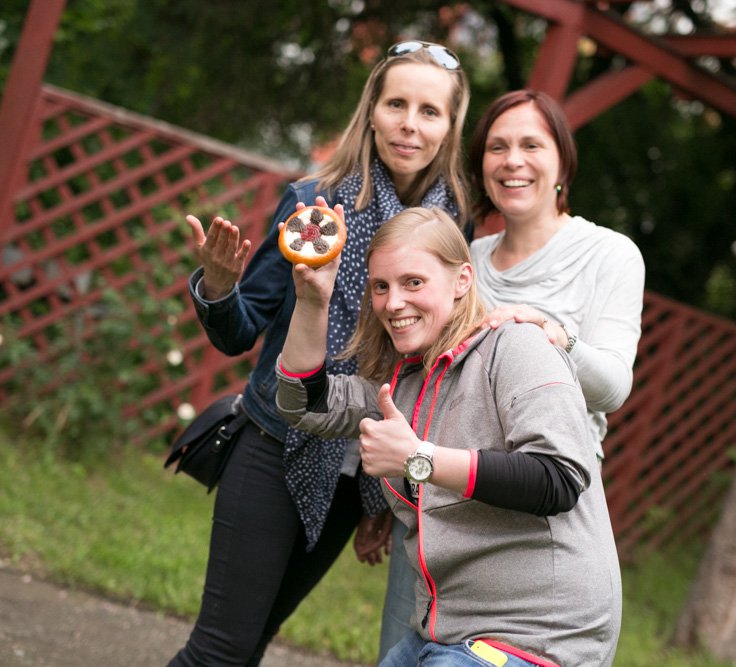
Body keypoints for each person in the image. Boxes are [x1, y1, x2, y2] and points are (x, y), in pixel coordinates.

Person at [170, 40, 470, 666]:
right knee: (219, 651)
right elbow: (239, 332)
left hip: (356, 473)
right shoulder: (316, 202)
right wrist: (219, 287)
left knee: (250, 645)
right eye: (396, 104)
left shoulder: (454, 229)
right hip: (275, 444)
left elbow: (430, 361)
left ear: (449, 127)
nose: (409, 125)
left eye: (429, 111)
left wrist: (388, 491)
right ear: (372, 111)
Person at [276, 207, 623, 667]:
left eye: (413, 282)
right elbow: (304, 403)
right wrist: (312, 300)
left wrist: (418, 458)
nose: (393, 303)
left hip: (538, 635)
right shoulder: (405, 383)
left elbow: (557, 477)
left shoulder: (518, 346)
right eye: (381, 287)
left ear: (462, 280)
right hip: (449, 630)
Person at [378, 89, 646, 661]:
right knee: (409, 643)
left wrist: (557, 337)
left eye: (531, 145)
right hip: (434, 486)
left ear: (563, 162)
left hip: (533, 503)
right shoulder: (467, 258)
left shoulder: (609, 253)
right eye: (497, 147)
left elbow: (614, 388)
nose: (512, 161)